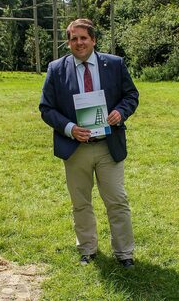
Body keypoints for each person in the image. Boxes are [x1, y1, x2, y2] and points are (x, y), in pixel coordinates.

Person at [39, 19, 139, 268]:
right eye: (73, 38)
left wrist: (120, 112)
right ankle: (87, 249)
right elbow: (46, 108)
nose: (79, 43)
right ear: (68, 42)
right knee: (80, 203)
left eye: (83, 38)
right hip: (75, 149)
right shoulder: (56, 69)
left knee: (117, 200)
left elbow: (131, 95)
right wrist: (70, 128)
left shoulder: (114, 64)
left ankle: (124, 253)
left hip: (108, 146)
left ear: (93, 40)